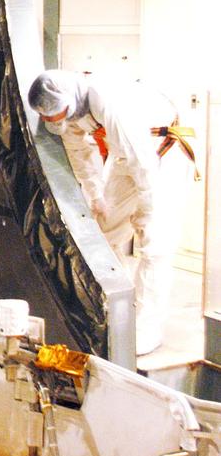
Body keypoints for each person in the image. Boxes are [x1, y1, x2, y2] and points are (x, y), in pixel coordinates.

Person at [27, 69, 197, 357]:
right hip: (127, 156)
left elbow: (143, 165)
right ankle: (116, 309)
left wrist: (147, 212)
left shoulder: (107, 101)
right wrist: (96, 196)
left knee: (154, 243)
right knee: (104, 231)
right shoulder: (71, 110)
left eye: (54, 114)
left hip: (164, 154)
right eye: (46, 116)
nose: (51, 121)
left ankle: (147, 329)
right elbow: (78, 153)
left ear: (68, 99)